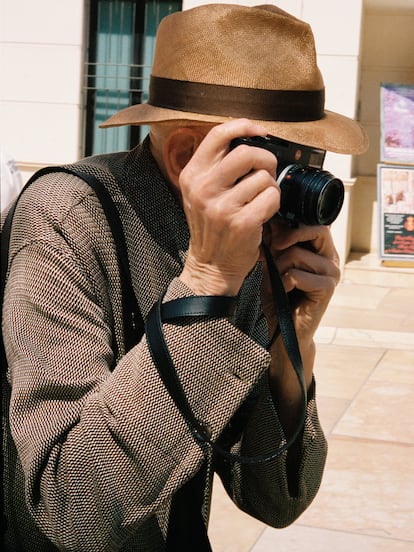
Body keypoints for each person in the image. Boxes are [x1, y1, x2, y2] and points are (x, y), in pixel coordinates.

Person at [2, 4, 368, 551]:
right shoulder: (67, 213)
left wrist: (293, 347)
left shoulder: (247, 240)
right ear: (184, 154)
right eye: (279, 159)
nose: (297, 181)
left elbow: (276, 500)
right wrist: (204, 284)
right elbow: (68, 508)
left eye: (308, 155)